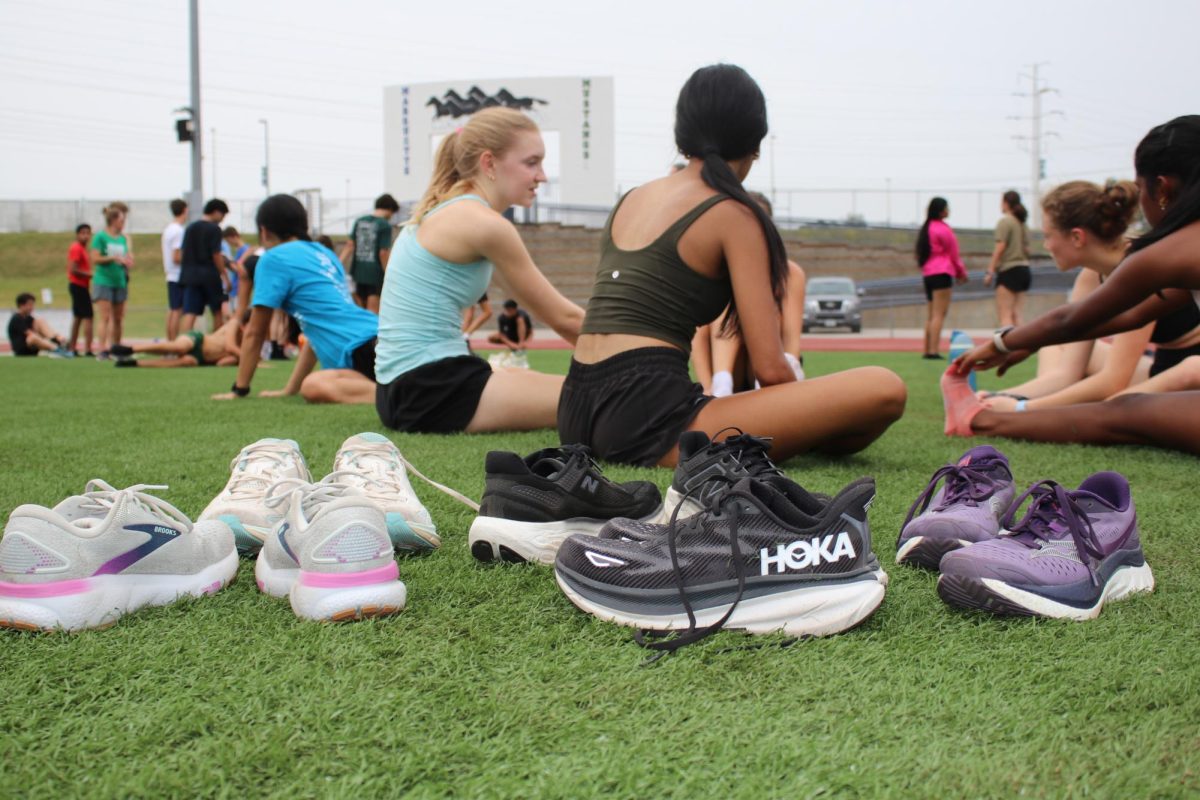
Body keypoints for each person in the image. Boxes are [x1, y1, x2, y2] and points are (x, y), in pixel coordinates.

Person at [558, 64, 906, 467]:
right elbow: (771, 369)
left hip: (576, 406)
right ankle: (808, 433)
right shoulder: (732, 212)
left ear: (682, 131)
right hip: (646, 416)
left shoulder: (634, 198)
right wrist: (809, 408)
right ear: (755, 142)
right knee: (884, 388)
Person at [946, 115, 1200, 453]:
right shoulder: (1173, 253)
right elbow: (1127, 317)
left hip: (1183, 365)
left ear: (1164, 188)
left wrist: (1003, 344)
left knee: (1126, 411)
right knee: (1122, 405)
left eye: (1142, 190)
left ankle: (979, 419)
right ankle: (988, 413)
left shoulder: (1166, 253)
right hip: (1164, 364)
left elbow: (1072, 320)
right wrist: (1027, 345)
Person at [374, 107, 585, 433]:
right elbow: (564, 319)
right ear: (489, 163)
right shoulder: (482, 223)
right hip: (429, 388)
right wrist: (639, 355)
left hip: (406, 388)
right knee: (600, 399)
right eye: (532, 163)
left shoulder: (453, 212)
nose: (541, 176)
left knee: (537, 379)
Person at [977, 180, 1200, 413]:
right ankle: (1045, 408)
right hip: (1163, 364)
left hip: (1190, 367)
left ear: (1077, 237)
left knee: (1118, 401)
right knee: (1054, 347)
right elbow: (1066, 374)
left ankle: (1044, 411)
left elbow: (1113, 381)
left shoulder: (1141, 265)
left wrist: (1019, 408)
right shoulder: (1090, 276)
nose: (1046, 245)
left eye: (1048, 235)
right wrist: (1001, 397)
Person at [214, 193, 379, 404]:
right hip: (378, 334)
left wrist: (240, 389)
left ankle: (394, 396)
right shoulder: (324, 253)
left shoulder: (273, 258)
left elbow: (255, 332)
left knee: (313, 386)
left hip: (360, 350)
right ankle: (397, 391)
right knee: (311, 384)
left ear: (264, 231)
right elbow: (314, 333)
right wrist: (289, 389)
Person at [691, 190, 806, 396]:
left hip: (767, 370)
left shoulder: (789, 273)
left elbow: (791, 339)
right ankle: (721, 384)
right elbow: (698, 335)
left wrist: (790, 378)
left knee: (764, 309)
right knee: (729, 307)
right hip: (727, 371)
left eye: (758, 224)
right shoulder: (715, 270)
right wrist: (706, 384)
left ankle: (759, 387)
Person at [915, 197, 967, 360]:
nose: (948, 210)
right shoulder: (944, 229)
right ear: (941, 211)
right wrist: (961, 273)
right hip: (942, 273)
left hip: (928, 274)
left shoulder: (926, 228)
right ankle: (933, 351)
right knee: (939, 314)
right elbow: (953, 254)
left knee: (931, 314)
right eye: (946, 207)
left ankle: (927, 349)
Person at [341, 193, 400, 313]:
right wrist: (389, 274)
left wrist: (337, 264)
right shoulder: (384, 225)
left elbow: (349, 245)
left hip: (358, 273)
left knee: (360, 311)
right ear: (389, 209)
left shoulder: (359, 221)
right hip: (375, 275)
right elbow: (383, 253)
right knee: (373, 313)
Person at [89, 203, 133, 359]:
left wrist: (127, 261)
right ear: (113, 220)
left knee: (119, 318)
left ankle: (117, 347)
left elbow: (127, 256)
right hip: (103, 280)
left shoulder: (122, 239)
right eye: (121, 221)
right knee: (105, 317)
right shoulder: (100, 237)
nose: (123, 224)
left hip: (119, 281)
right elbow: (95, 258)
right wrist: (112, 258)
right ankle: (102, 349)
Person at [111, 316, 242, 368]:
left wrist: (238, 360)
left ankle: (135, 363)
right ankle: (130, 349)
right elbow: (230, 346)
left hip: (200, 357)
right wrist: (249, 359)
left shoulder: (244, 348)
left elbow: (221, 364)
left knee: (187, 362)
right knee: (180, 348)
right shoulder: (235, 323)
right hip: (198, 340)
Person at [180, 199, 230, 333]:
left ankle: (183, 345)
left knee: (190, 312)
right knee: (217, 311)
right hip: (209, 275)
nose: (222, 219)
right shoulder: (214, 229)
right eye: (223, 215)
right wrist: (224, 275)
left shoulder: (190, 227)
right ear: (216, 212)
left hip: (190, 275)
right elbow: (216, 254)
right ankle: (215, 344)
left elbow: (183, 252)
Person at [984, 190, 1032, 327]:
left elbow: (1000, 247)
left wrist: (990, 271)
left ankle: (1007, 348)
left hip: (1009, 270)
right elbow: (1028, 249)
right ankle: (1022, 346)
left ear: (1005, 203)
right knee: (1017, 314)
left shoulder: (1005, 222)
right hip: (1024, 270)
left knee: (1005, 315)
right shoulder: (1023, 224)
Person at [66, 223, 94, 356]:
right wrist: (91, 274)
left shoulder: (83, 249)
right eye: (83, 233)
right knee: (88, 316)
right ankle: (88, 348)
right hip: (78, 285)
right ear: (77, 235)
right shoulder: (76, 248)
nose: (86, 236)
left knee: (78, 317)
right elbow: (73, 269)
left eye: (88, 233)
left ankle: (72, 347)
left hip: (81, 285)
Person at [161, 198, 188, 339]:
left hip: (171, 275)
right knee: (177, 311)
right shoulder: (179, 231)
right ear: (185, 210)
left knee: (173, 310)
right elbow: (176, 256)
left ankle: (170, 342)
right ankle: (174, 342)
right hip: (178, 275)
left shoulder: (168, 229)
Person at [222, 226, 250, 313]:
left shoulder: (245, 250)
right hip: (235, 288)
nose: (228, 243)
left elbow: (241, 270)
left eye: (228, 240)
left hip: (240, 288)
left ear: (233, 236)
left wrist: (227, 263)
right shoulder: (239, 250)